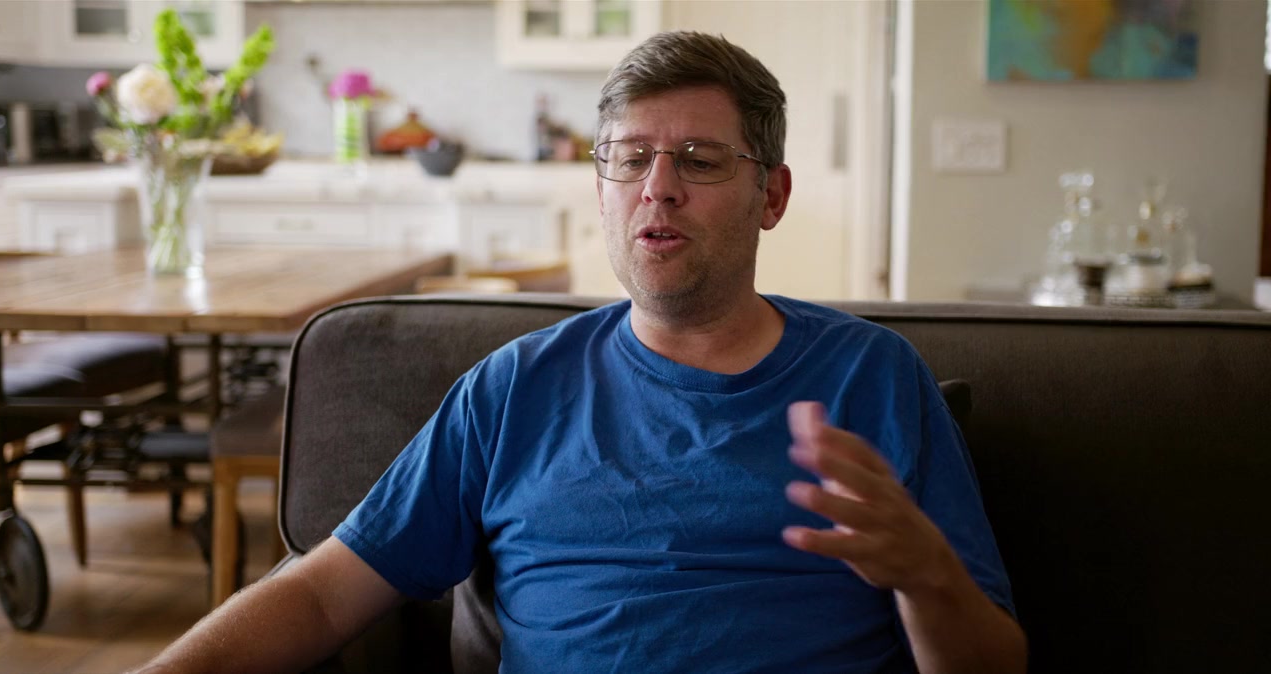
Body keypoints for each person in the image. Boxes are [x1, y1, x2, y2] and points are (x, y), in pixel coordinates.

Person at [138, 31, 1026, 674]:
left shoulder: (874, 379)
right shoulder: (512, 390)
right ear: (600, 190)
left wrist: (927, 576)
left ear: (772, 195)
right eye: (629, 159)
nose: (658, 188)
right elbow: (324, 592)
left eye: (699, 160)